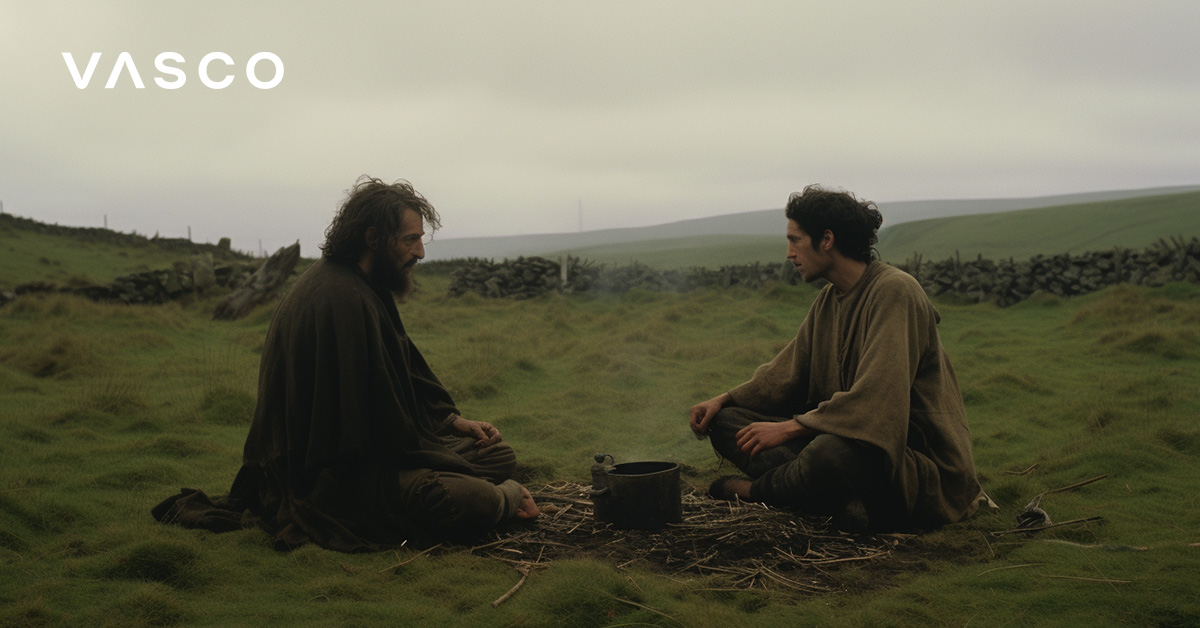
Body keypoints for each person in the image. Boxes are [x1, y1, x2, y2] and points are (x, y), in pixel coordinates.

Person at [154, 176, 539, 551]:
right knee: (463, 497)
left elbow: (401, 376)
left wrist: (450, 423)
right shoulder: (340, 300)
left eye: (420, 239)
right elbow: (360, 436)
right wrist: (459, 472)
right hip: (329, 477)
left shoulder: (363, 284)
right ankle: (503, 498)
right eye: (411, 240)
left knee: (497, 453)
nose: (420, 252)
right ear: (373, 239)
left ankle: (479, 486)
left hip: (371, 453)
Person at [689, 185, 987, 531]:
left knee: (834, 452)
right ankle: (823, 493)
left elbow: (878, 401)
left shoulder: (895, 291)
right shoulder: (829, 300)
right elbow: (786, 373)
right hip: (840, 441)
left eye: (795, 240)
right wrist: (723, 400)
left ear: (826, 239)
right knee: (727, 422)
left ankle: (758, 492)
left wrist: (789, 428)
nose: (789, 253)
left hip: (908, 463)